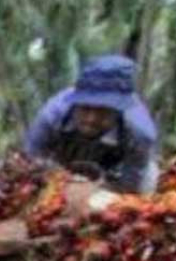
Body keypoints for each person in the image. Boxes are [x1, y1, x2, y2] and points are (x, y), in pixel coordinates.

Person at [24, 54, 159, 194]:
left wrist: (104, 196)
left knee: (148, 180)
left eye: (103, 111)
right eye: (85, 108)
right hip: (62, 166)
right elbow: (31, 161)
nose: (91, 119)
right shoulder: (51, 117)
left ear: (118, 110)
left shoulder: (139, 132)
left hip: (114, 171)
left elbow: (130, 184)